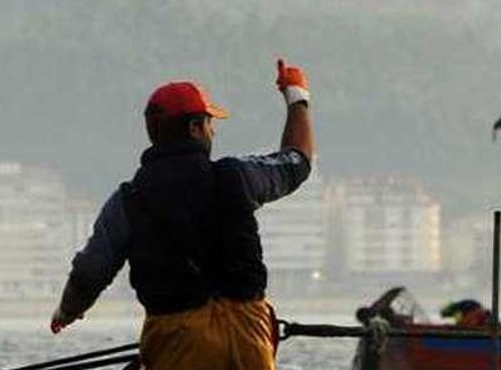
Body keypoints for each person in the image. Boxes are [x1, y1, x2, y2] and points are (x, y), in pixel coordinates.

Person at [49, 58, 315, 370]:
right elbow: (298, 160)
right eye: (209, 123)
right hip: (248, 336)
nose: (212, 131)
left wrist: (67, 312)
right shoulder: (237, 176)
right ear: (194, 128)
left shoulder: (128, 201)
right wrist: (297, 96)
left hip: (177, 341)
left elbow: (90, 272)